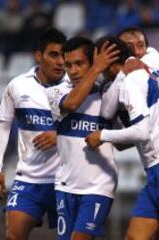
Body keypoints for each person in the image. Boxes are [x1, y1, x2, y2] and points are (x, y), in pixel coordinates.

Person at [85, 34, 159, 240]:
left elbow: (141, 131)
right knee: (135, 237)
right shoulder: (147, 71)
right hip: (158, 169)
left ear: (109, 59)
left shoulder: (132, 81)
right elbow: (108, 111)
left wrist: (103, 135)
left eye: (98, 62)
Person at [0, 27, 67, 240]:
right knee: (14, 234)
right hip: (29, 178)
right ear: (38, 56)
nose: (60, 61)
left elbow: (92, 129)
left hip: (67, 180)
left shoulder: (76, 88)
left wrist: (59, 136)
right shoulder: (18, 85)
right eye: (54, 55)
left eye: (64, 55)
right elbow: (3, 125)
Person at [45, 37, 120, 240]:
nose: (74, 70)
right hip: (65, 184)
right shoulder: (56, 91)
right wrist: (96, 69)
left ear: (92, 61)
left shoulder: (108, 95)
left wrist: (105, 135)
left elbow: (123, 144)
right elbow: (71, 105)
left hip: (99, 186)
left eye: (80, 64)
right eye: (69, 65)